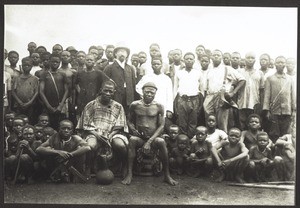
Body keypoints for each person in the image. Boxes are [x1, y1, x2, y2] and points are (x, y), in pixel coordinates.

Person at [122, 82, 178, 185]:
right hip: (140, 137)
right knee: (132, 140)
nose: (149, 94)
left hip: (153, 138)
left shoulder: (159, 106)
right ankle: (129, 174)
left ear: (155, 94)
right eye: (147, 92)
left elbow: (161, 126)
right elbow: (129, 120)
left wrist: (150, 141)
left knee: (161, 142)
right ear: (142, 92)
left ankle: (167, 175)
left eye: (152, 93)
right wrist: (133, 129)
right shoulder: (135, 105)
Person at [76, 80, 129, 177]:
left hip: (112, 133)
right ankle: (88, 167)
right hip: (94, 132)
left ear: (114, 92)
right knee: (91, 145)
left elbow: (120, 125)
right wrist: (98, 135)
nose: (108, 93)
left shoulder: (118, 106)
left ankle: (124, 166)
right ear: (101, 90)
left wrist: (110, 135)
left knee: (120, 145)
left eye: (111, 91)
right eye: (106, 91)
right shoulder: (91, 105)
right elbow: (86, 126)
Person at [203, 49, 245, 133]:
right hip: (210, 96)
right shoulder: (209, 70)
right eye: (214, 55)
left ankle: (224, 143)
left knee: (222, 123)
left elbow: (242, 80)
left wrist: (233, 93)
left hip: (221, 97)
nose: (216, 57)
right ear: (211, 57)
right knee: (209, 122)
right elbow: (205, 88)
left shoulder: (227, 68)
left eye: (218, 55)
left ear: (221, 57)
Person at [263, 56, 296, 142]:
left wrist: (293, 110)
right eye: (278, 62)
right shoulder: (270, 79)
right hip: (274, 110)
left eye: (282, 62)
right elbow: (267, 96)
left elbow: (293, 95)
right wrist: (267, 110)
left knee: (285, 132)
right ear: (275, 64)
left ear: (285, 64)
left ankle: (284, 152)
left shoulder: (290, 79)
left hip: (287, 111)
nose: (280, 64)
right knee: (274, 132)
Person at [175, 52, 204, 138]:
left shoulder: (198, 73)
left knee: (193, 123)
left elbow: (202, 89)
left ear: (194, 60)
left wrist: (200, 102)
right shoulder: (179, 73)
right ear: (183, 60)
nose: (189, 60)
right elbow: (175, 88)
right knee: (182, 123)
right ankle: (183, 143)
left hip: (194, 99)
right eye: (187, 59)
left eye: (191, 59)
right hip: (182, 99)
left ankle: (191, 142)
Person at [39, 54, 69, 130]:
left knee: (60, 126)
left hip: (59, 106)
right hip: (48, 106)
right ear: (49, 61)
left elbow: (66, 90)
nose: (55, 63)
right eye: (53, 61)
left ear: (60, 63)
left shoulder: (62, 74)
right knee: (48, 127)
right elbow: (41, 91)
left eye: (57, 62)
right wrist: (48, 106)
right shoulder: (44, 74)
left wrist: (61, 105)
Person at [74, 54, 108, 118]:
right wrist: (80, 91)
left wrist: (100, 92)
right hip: (82, 99)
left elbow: (107, 81)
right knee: (82, 116)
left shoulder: (98, 73)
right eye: (87, 60)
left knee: (93, 115)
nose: (89, 61)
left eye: (91, 60)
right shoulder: (80, 73)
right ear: (84, 61)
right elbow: (75, 83)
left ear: (94, 62)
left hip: (94, 97)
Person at [104, 46, 136, 113]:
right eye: (120, 51)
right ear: (115, 54)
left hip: (128, 99)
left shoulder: (130, 68)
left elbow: (133, 86)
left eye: (124, 52)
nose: (122, 54)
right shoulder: (109, 68)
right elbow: (104, 84)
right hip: (115, 98)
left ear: (127, 55)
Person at [237, 52, 264, 130]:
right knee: (242, 125)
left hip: (255, 103)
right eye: (248, 58)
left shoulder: (259, 73)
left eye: (252, 58)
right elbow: (236, 87)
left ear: (255, 60)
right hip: (241, 103)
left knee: (254, 125)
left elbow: (262, 90)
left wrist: (261, 105)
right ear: (245, 59)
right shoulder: (239, 72)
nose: (250, 60)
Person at [12, 57, 39, 123]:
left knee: (30, 121)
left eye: (28, 65)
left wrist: (29, 102)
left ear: (31, 66)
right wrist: (19, 102)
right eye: (24, 65)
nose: (26, 67)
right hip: (19, 105)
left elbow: (36, 92)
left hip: (31, 105)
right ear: (22, 66)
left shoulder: (35, 79)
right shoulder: (17, 78)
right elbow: (13, 92)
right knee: (19, 120)